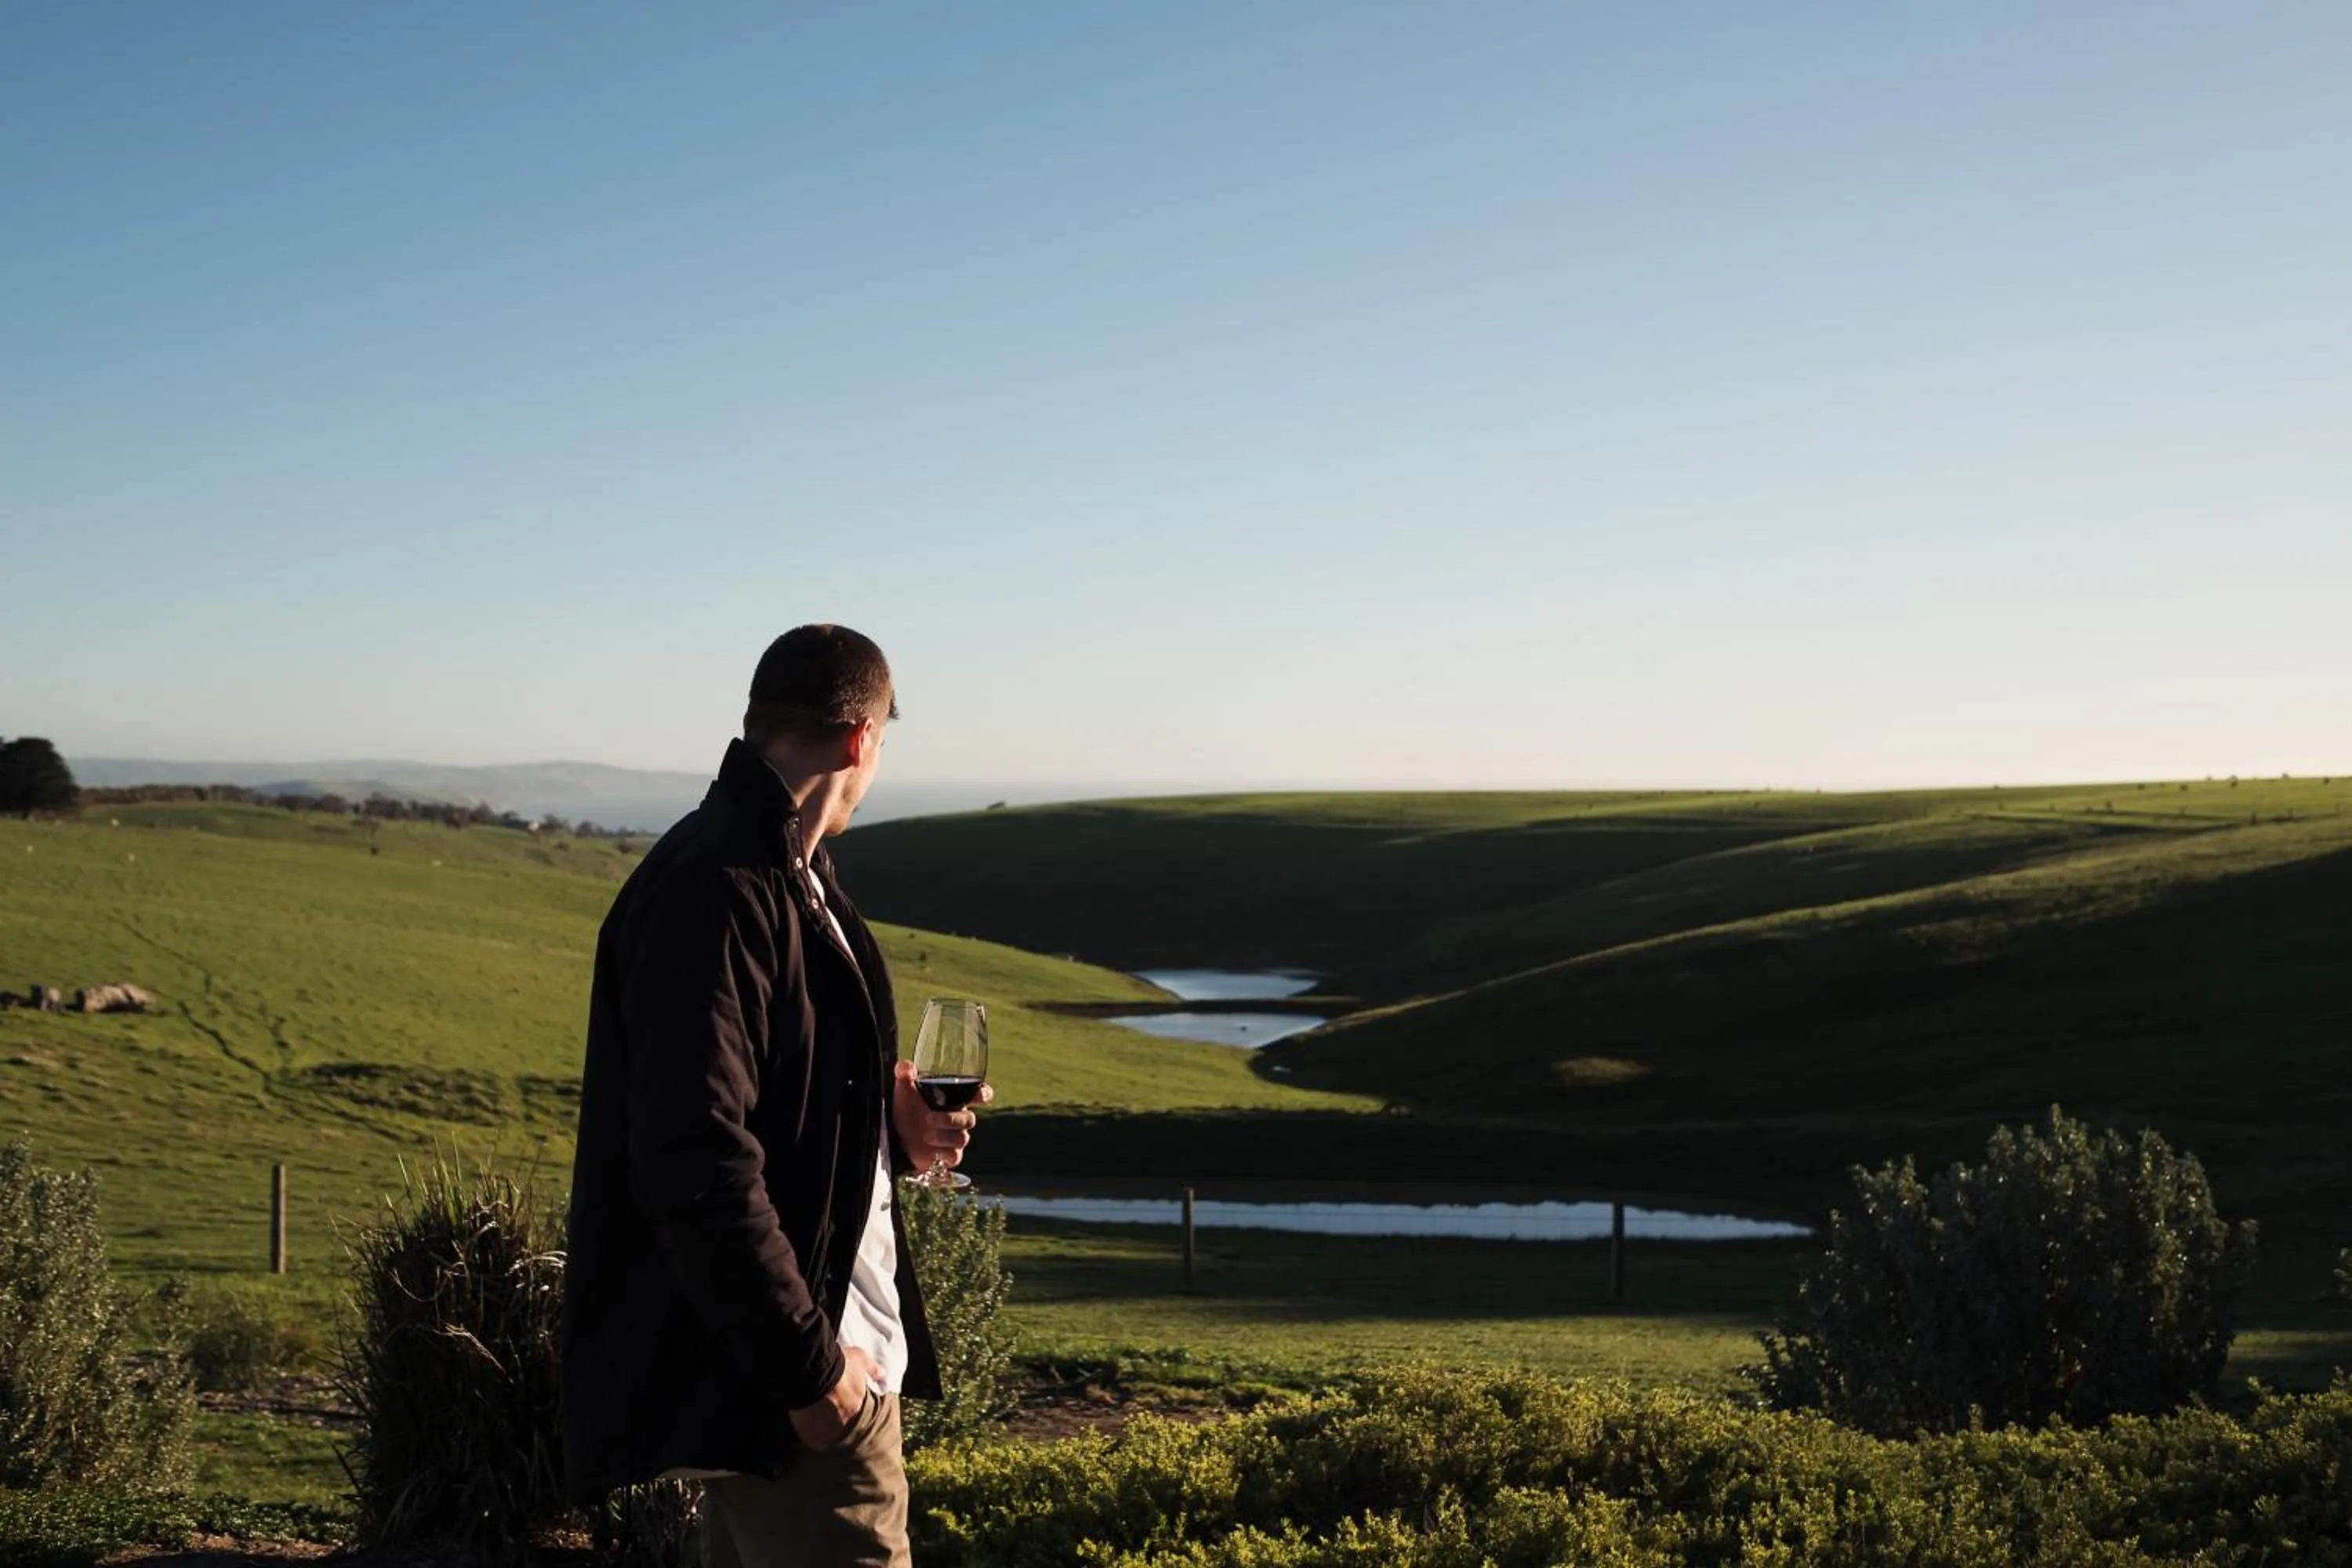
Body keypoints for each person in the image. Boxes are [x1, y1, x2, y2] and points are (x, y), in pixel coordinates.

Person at [562, 624, 984, 1568]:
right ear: (861, 739)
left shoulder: (789, 873)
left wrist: (887, 1123)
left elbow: (765, 1095)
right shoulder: (720, 885)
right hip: (800, 1398)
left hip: (794, 1383)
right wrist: (817, 1375)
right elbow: (694, 1153)